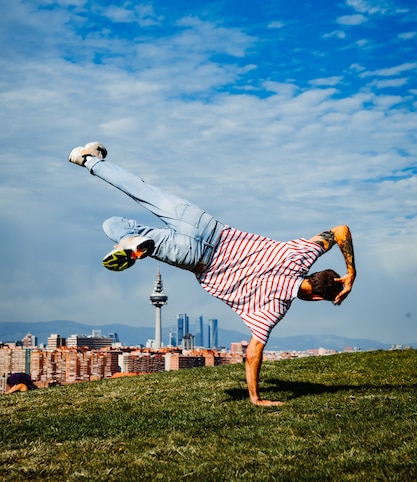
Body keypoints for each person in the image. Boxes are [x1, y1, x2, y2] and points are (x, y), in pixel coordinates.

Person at [69, 142, 356, 407]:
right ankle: (131, 242)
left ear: (316, 273)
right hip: (195, 258)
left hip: (205, 226)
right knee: (116, 226)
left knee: (133, 198)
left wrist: (350, 273)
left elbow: (341, 231)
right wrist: (255, 397)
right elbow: (253, 353)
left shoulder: (300, 254)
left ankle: (89, 162)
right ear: (318, 298)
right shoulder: (273, 308)